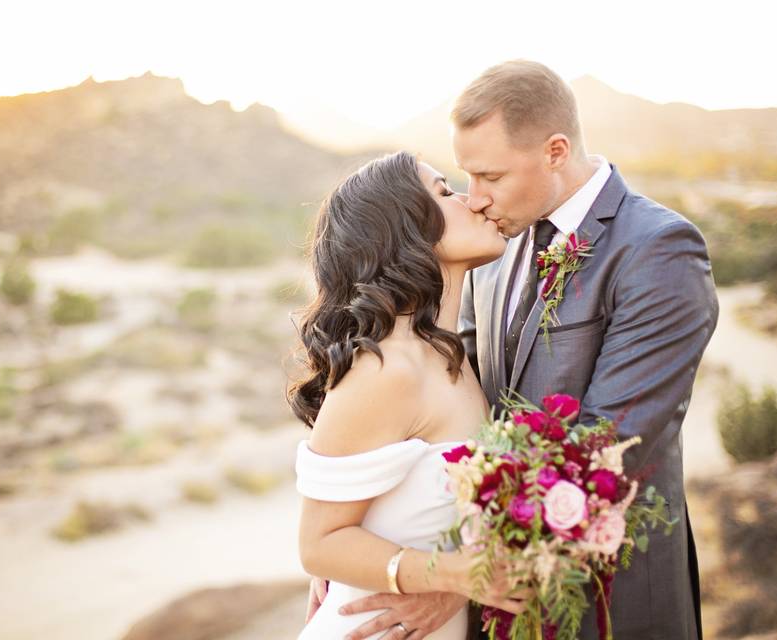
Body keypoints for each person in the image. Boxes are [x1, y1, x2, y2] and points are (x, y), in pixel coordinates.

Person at [328, 60, 719, 640]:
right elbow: (447, 409)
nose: (476, 198)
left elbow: (604, 448)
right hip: (493, 592)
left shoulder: (656, 250)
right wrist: (357, 546)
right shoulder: (492, 249)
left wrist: (456, 580)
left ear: (555, 151)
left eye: (490, 176)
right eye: (466, 177)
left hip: (608, 596)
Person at [289, 150, 515, 639]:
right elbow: (319, 544)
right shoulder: (389, 368)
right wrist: (458, 576)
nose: (472, 201)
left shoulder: (449, 357)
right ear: (406, 229)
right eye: (444, 191)